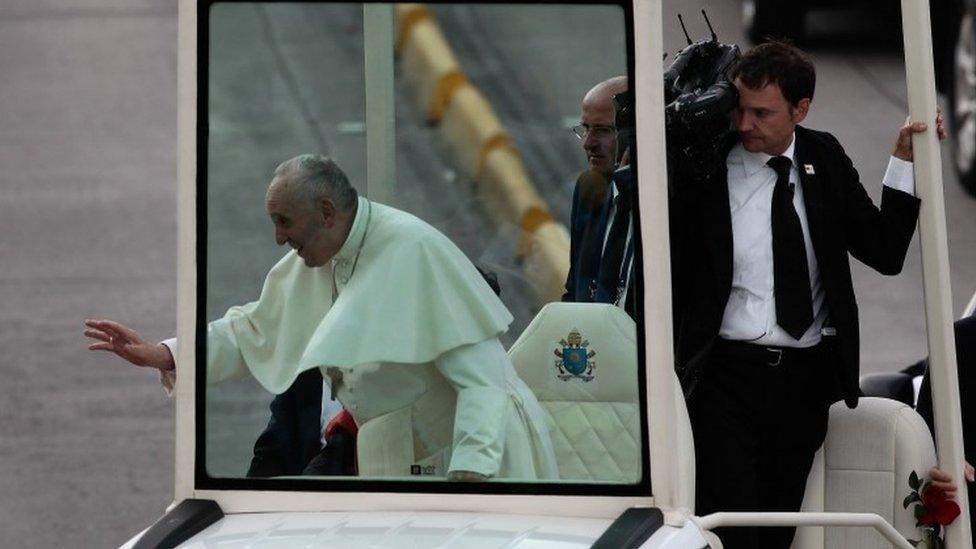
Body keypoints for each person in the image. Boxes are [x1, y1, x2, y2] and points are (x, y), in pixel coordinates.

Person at [85, 154, 558, 482]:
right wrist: (164, 353)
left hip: (484, 461)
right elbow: (253, 329)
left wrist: (471, 473)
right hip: (413, 459)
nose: (277, 237)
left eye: (284, 222)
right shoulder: (323, 255)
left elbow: (482, 380)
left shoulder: (413, 250)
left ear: (327, 212)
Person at [668, 41, 946, 548]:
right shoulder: (707, 169)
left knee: (777, 529)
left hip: (803, 381)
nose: (745, 124)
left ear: (801, 110)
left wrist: (904, 160)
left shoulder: (824, 156)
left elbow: (884, 251)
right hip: (724, 379)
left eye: (762, 113)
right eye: (740, 108)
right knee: (730, 526)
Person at [562, 76, 638, 318]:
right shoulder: (588, 189)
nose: (588, 143)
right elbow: (575, 292)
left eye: (603, 130)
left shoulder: (665, 204)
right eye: (585, 129)